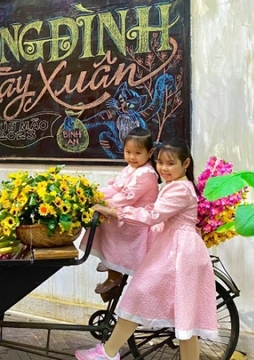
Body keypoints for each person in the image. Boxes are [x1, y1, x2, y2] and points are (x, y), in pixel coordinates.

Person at [76, 139, 217, 360]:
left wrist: (115, 212)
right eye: (160, 162)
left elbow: (152, 216)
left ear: (186, 163)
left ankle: (108, 353)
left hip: (179, 252)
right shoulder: (174, 186)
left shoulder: (179, 189)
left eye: (170, 164)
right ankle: (108, 351)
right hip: (174, 248)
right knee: (184, 316)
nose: (163, 168)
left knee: (139, 294)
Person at [79, 127, 159, 295]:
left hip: (136, 222)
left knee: (107, 222)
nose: (131, 157)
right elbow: (115, 188)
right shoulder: (131, 168)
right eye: (128, 152)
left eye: (138, 153)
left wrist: (104, 206)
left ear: (150, 152)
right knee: (103, 219)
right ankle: (110, 263)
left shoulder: (147, 174)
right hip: (126, 213)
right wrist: (94, 196)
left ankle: (114, 270)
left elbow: (126, 198)